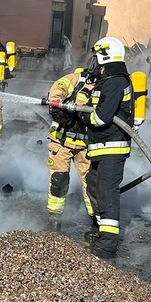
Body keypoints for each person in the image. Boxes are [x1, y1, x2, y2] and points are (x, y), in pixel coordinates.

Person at [82, 36, 134, 259]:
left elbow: (101, 117)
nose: (93, 61)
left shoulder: (115, 82)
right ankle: (101, 230)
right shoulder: (107, 81)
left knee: (107, 191)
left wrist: (84, 118)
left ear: (105, 56)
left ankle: (108, 244)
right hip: (101, 145)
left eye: (97, 57)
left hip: (112, 145)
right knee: (94, 186)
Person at [45, 67, 95, 227]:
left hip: (86, 144)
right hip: (61, 141)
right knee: (59, 179)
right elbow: (58, 88)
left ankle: (96, 217)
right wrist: (57, 105)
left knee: (91, 182)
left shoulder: (105, 85)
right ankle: (55, 217)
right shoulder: (75, 79)